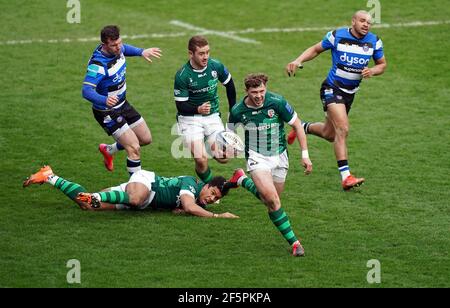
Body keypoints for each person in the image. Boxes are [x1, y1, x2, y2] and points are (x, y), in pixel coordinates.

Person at [285, 10, 387, 190]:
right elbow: (316, 49)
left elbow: (382, 65)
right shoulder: (337, 35)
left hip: (350, 93)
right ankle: (346, 177)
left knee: (329, 134)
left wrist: (372, 71)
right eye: (362, 21)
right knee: (343, 128)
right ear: (353, 21)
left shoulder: (374, 41)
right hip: (332, 88)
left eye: (369, 22)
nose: (366, 25)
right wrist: (298, 60)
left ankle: (302, 127)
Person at [227, 73, 313, 257]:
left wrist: (305, 155)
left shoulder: (277, 102)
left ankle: (241, 179)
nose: (258, 96)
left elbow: (298, 125)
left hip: (280, 156)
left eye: (261, 91)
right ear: (246, 91)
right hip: (257, 158)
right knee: (272, 200)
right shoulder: (237, 111)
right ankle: (295, 243)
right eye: (254, 92)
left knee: (271, 200)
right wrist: (227, 150)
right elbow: (231, 137)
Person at [82, 25, 162, 175]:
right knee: (134, 148)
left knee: (145, 139)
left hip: (123, 104)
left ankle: (108, 150)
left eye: (119, 42)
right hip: (106, 111)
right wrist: (104, 99)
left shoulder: (117, 48)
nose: (119, 47)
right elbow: (86, 91)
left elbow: (125, 48)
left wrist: (141, 52)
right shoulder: (98, 65)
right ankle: (136, 189)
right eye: (114, 45)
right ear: (104, 45)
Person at [23, 165, 238, 218]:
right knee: (135, 199)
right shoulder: (192, 184)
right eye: (212, 194)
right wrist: (218, 215)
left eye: (215, 199)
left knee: (86, 204)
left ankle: (49, 176)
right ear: (207, 186)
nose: (211, 199)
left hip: (144, 199)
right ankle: (98, 197)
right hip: (146, 183)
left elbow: (181, 210)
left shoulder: (199, 201)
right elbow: (189, 206)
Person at [174, 35, 237, 184]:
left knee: (224, 157)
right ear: (191, 54)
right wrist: (198, 108)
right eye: (201, 53)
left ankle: (207, 146)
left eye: (207, 52)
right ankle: (209, 187)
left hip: (212, 116)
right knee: (201, 160)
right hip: (189, 119)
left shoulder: (216, 66)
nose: (206, 57)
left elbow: (229, 84)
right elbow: (180, 106)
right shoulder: (183, 75)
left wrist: (232, 110)